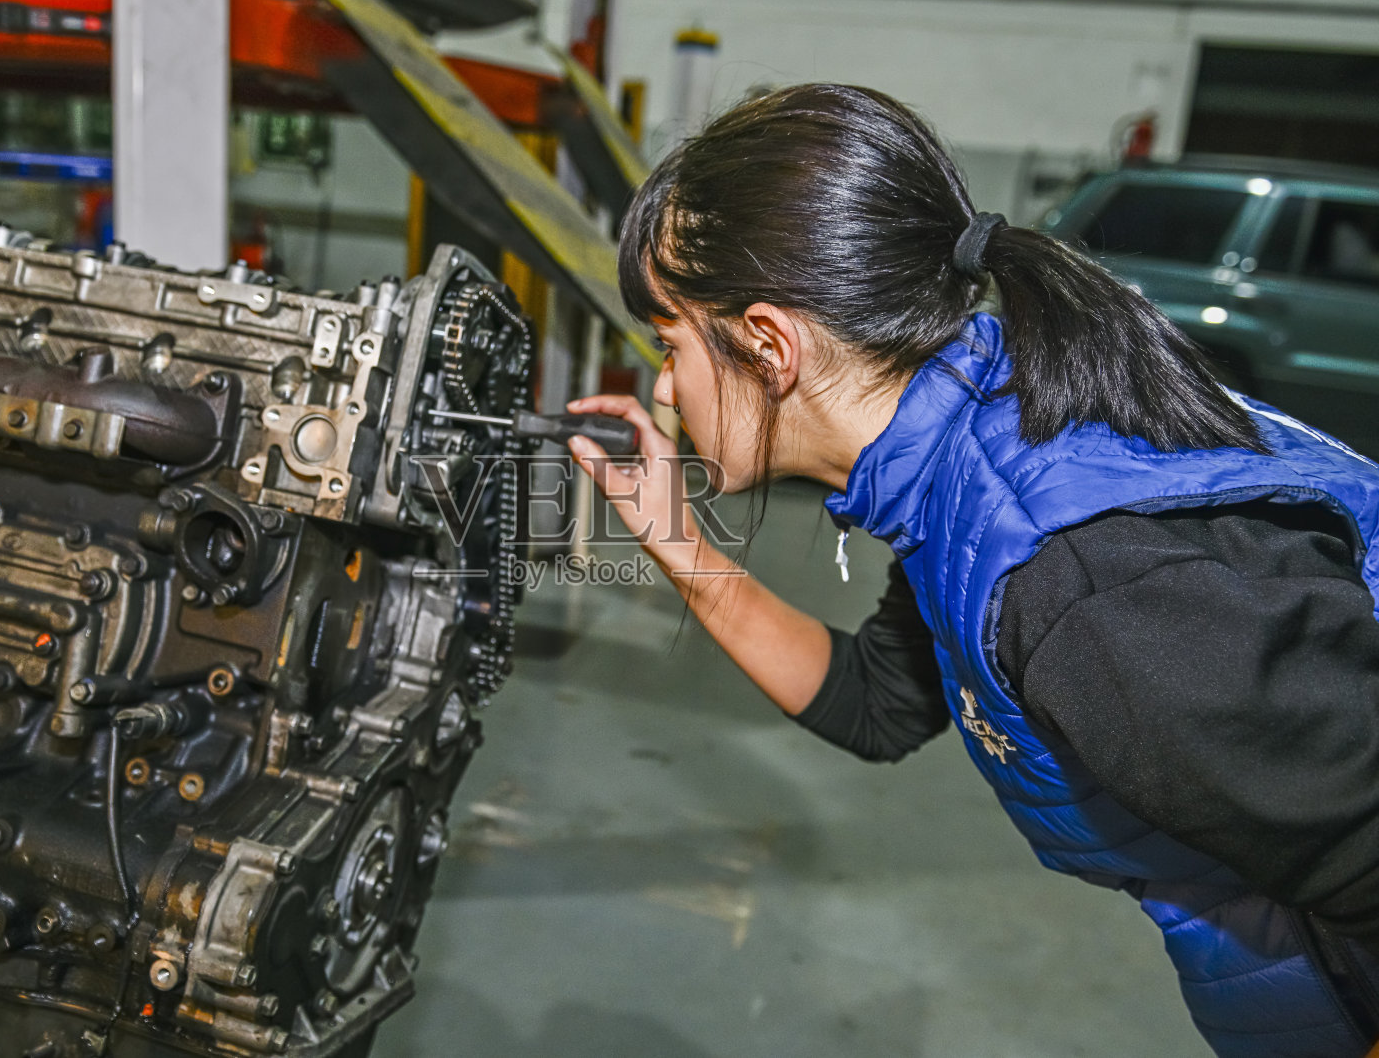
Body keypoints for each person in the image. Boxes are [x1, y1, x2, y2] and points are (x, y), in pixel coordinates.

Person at [565, 83, 1379, 1058]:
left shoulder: (1080, 581)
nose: (662, 384)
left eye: (669, 343)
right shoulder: (966, 449)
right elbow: (877, 702)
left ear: (771, 343)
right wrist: (675, 537)